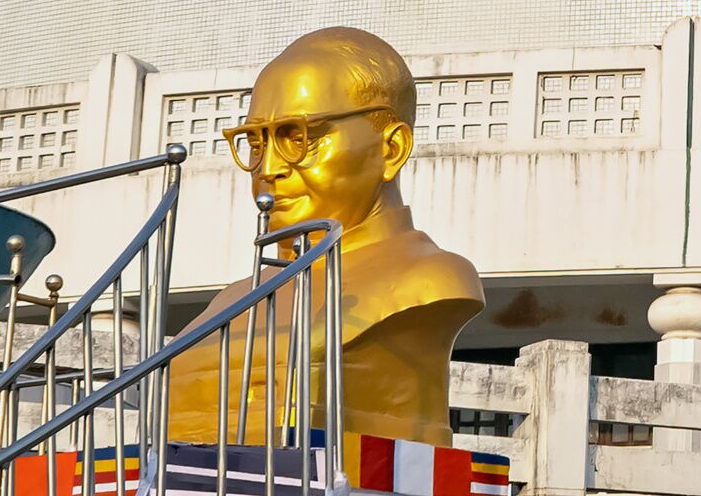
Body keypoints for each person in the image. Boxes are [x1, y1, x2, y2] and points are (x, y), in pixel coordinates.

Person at [161, 25, 486, 443]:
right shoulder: (233, 299)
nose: (269, 168)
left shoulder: (431, 279)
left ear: (391, 148)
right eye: (256, 142)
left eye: (299, 137)